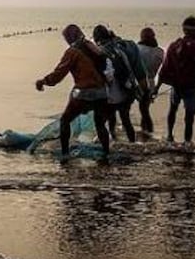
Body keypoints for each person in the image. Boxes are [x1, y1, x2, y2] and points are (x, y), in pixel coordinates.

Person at [35, 24, 110, 160]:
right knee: (100, 124)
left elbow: (59, 74)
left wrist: (43, 81)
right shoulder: (91, 46)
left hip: (83, 93)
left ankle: (65, 155)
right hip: (102, 92)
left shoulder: (72, 52)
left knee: (65, 121)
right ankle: (106, 153)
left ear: (69, 37)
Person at [157, 16, 195, 144]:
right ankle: (187, 142)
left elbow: (165, 68)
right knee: (189, 117)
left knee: (172, 110)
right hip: (191, 88)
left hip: (176, 87)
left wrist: (156, 88)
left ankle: (170, 136)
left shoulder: (174, 45)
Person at [92, 25, 148, 143]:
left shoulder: (102, 51)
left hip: (112, 94)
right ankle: (132, 143)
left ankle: (111, 141)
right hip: (128, 90)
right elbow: (139, 70)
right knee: (125, 119)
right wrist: (144, 89)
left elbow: (106, 76)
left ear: (97, 39)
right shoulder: (128, 45)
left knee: (106, 119)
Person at [136, 27, 165, 134]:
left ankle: (147, 131)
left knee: (143, 111)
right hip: (151, 83)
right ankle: (147, 132)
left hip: (139, 82)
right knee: (145, 109)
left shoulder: (138, 49)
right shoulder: (160, 52)